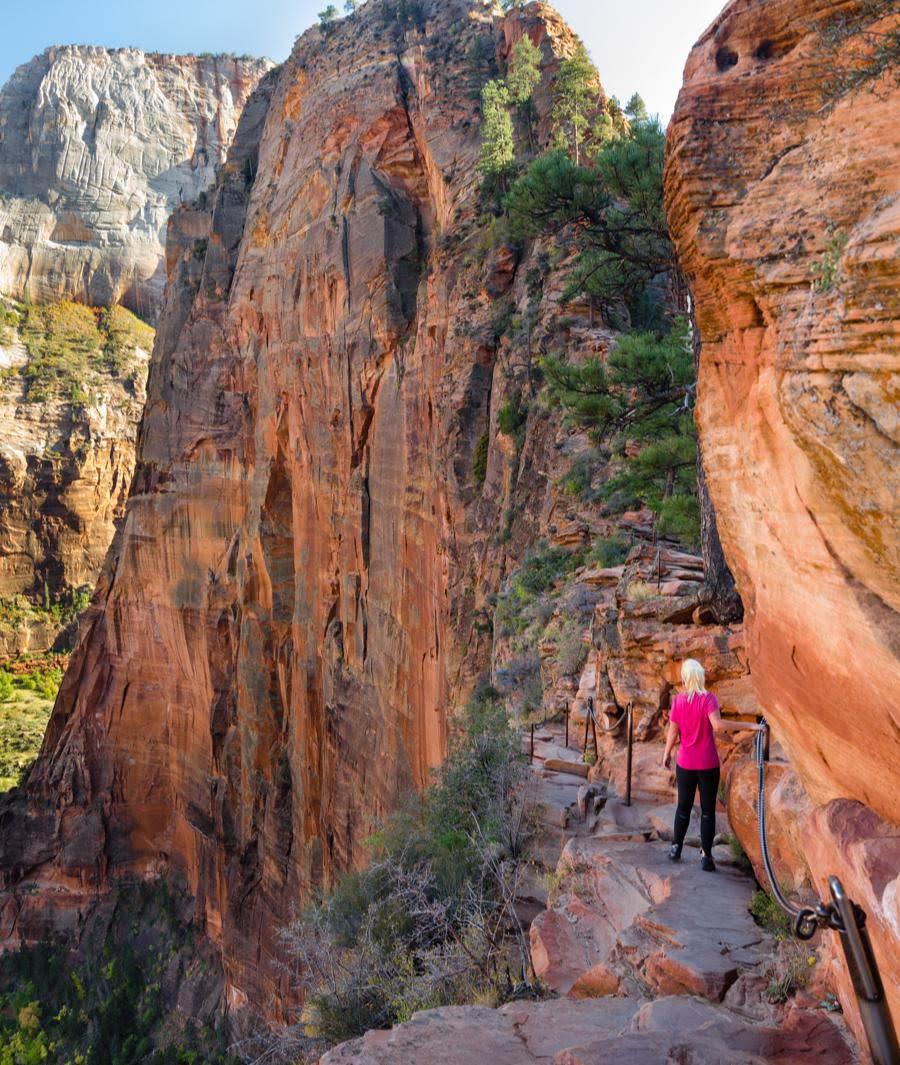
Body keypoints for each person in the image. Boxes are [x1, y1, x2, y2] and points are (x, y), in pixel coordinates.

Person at [661, 659, 762, 872]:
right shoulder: (708, 699)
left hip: (685, 763)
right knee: (708, 811)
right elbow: (718, 725)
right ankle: (706, 856)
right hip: (707, 763)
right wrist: (750, 725)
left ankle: (676, 847)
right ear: (701, 676)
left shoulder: (678, 701)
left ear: (686, 677)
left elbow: (673, 731)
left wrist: (666, 754)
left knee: (683, 807)